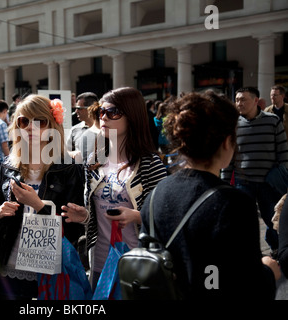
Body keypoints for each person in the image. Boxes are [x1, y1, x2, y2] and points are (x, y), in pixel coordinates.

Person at [140, 91, 280, 299]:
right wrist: (269, 271)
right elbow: (250, 286)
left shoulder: (156, 195)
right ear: (226, 142)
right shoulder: (235, 203)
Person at [0, 94, 86, 300]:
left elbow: (73, 227)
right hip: (11, 265)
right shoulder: (9, 164)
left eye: (39, 122)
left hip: (51, 269)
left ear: (52, 126)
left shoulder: (68, 167)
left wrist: (38, 205)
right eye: (24, 121)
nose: (30, 128)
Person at [67, 87, 167, 289]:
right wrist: (84, 216)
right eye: (100, 112)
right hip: (99, 261)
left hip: (137, 263)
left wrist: (137, 216)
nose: (104, 117)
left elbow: (165, 215)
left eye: (112, 112)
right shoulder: (94, 160)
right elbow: (98, 215)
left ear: (132, 116)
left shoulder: (149, 163)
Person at [221, 87, 288, 257]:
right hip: (243, 182)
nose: (239, 103)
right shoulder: (233, 125)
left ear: (256, 101)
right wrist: (224, 182)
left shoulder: (273, 121)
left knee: (272, 219)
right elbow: (229, 157)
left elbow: (283, 152)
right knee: (243, 221)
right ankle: (248, 254)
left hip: (269, 182)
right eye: (237, 99)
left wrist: (283, 175)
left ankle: (277, 250)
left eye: (243, 99)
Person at [66, 92, 98, 159]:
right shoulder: (74, 130)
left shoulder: (105, 129)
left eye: (79, 108)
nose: (76, 111)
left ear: (91, 108)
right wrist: (73, 154)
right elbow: (66, 151)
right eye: (76, 108)